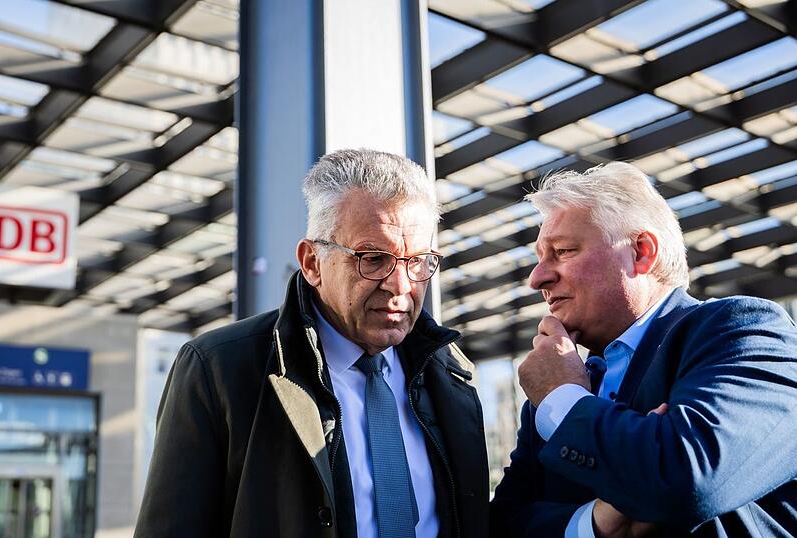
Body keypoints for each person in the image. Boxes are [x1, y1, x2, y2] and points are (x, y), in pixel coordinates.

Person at [134, 149, 489, 538]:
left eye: (417, 261)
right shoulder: (218, 369)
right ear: (312, 263)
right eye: (373, 258)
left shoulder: (450, 372)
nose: (400, 286)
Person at [489, 161, 797, 537]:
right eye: (540, 257)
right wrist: (593, 524)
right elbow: (504, 523)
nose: (537, 277)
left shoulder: (743, 330)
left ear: (641, 252)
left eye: (564, 250)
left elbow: (688, 476)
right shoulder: (558, 385)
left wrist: (564, 401)